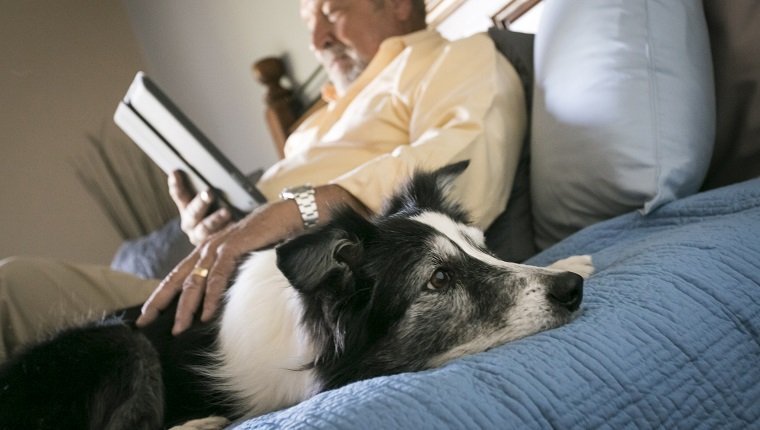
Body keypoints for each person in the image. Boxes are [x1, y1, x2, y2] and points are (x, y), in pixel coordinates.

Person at [0, 0, 525, 361]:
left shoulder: (454, 59)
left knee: (11, 289)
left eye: (332, 11)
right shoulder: (315, 122)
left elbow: (465, 163)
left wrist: (299, 208)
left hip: (291, 312)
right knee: (13, 285)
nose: (317, 38)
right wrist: (217, 231)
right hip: (222, 297)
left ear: (398, 3)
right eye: (308, 20)